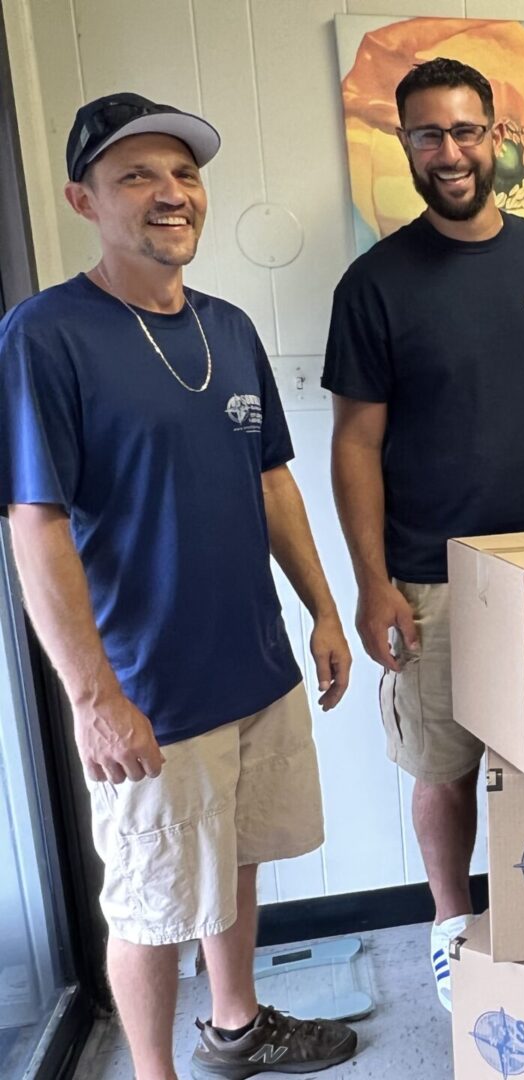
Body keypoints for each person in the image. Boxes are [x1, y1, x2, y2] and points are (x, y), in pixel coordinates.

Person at [0, 93, 356, 1080]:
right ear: (83, 199)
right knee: (151, 902)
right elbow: (35, 524)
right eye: (137, 177)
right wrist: (93, 698)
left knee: (232, 860)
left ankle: (235, 1030)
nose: (170, 194)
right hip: (148, 689)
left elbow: (272, 480)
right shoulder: (46, 336)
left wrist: (323, 610)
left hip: (252, 663)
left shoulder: (228, 327)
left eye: (184, 174)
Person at [323, 58, 524, 1011]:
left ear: (498, 138)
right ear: (403, 145)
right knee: (444, 768)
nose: (449, 152)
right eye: (427, 135)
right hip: (434, 578)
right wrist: (372, 583)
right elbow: (355, 441)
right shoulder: (374, 284)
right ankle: (453, 927)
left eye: (465, 131)